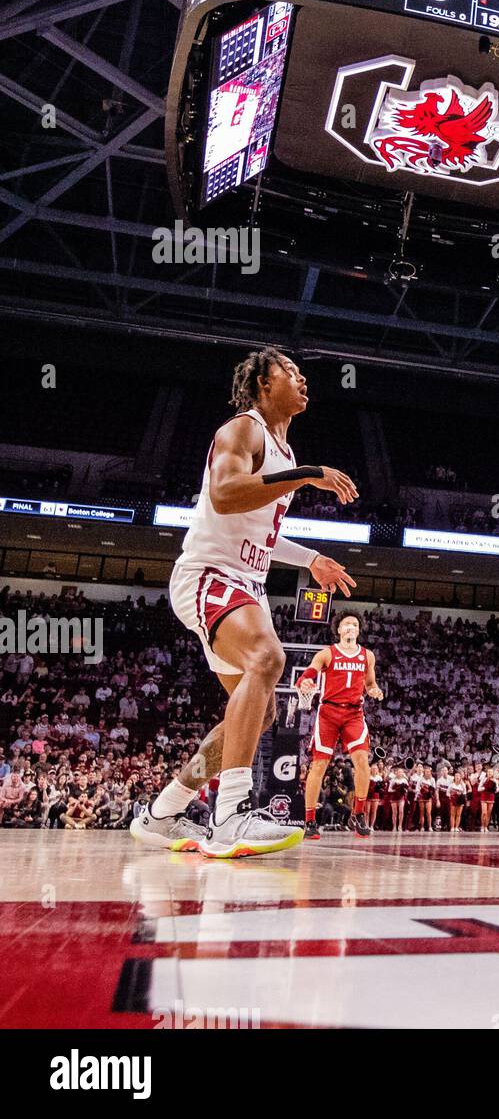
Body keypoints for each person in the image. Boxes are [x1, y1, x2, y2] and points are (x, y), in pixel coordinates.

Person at [133, 348, 357, 858]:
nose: (303, 379)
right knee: (269, 658)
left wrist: (310, 558)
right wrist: (306, 473)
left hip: (241, 584)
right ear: (261, 382)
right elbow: (226, 495)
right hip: (211, 574)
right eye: (291, 372)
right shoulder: (243, 429)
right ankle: (231, 815)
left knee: (261, 713)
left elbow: (257, 525)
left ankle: (163, 811)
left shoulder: (279, 446)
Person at [297, 612, 383, 839]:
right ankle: (309, 821)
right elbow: (312, 670)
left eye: (355, 624)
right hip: (329, 713)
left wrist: (374, 689)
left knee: (362, 761)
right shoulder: (327, 653)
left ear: (358, 630)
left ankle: (359, 814)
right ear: (339, 630)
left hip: (354, 713)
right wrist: (305, 679)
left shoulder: (367, 656)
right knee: (319, 766)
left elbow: (370, 682)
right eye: (347, 624)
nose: (351, 627)